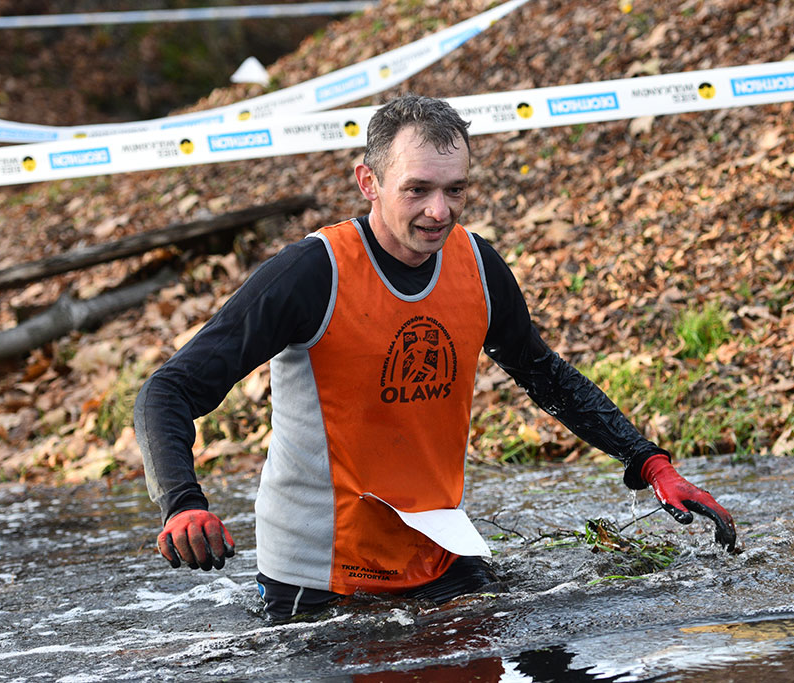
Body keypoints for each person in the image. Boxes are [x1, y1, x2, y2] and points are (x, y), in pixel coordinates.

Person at [134, 93, 737, 622]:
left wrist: (651, 464)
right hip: (319, 576)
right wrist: (183, 504)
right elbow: (166, 392)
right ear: (368, 182)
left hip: (439, 552)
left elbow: (543, 374)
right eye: (417, 190)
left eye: (455, 190)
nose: (439, 212)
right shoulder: (310, 274)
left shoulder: (476, 265)